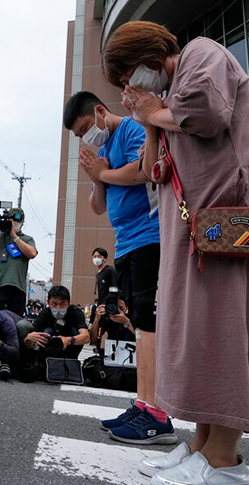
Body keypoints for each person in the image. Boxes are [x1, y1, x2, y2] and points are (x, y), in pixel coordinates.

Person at [104, 21, 249, 482]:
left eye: (127, 76)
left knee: (224, 333)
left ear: (147, 57)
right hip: (199, 232)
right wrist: (149, 119)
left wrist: (155, 111)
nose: (128, 88)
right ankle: (202, 447)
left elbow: (207, 112)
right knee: (204, 336)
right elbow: (152, 170)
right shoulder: (167, 99)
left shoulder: (201, 53)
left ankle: (224, 460)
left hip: (228, 223)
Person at [63, 90, 172, 445]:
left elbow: (145, 170)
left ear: (99, 111)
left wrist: (104, 172)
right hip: (126, 244)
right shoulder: (105, 150)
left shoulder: (129, 129)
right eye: (79, 135)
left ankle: (157, 413)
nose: (85, 137)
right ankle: (143, 404)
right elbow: (97, 206)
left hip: (149, 238)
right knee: (139, 326)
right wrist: (98, 177)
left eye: (84, 128)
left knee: (149, 326)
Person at [0, 208, 37, 316]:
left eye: (18, 221)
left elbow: (32, 253)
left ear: (22, 223)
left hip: (17, 288)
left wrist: (15, 236)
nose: (15, 224)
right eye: (12, 221)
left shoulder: (27, 239)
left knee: (14, 322)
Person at [90, 247, 117, 347]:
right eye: (94, 256)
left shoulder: (110, 270)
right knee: (98, 335)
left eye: (99, 256)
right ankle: (100, 351)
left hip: (108, 308)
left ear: (105, 258)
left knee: (110, 335)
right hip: (100, 307)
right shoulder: (98, 274)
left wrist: (108, 304)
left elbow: (115, 288)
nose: (96, 258)